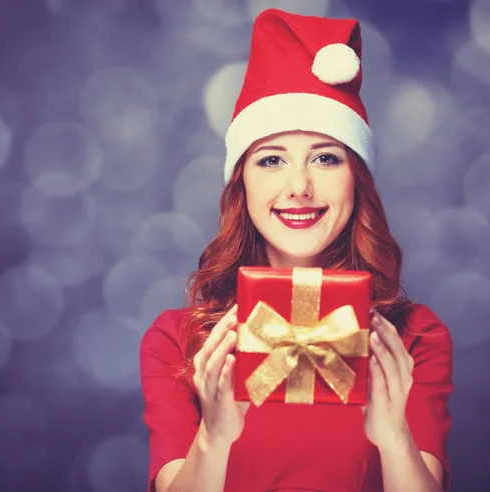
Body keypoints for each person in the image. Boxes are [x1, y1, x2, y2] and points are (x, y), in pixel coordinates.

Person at [140, 8, 453, 492]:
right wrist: (213, 439)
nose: (299, 187)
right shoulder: (177, 343)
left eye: (326, 158)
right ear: (240, 182)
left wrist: (394, 439)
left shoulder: (414, 338)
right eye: (271, 160)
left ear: (357, 179)